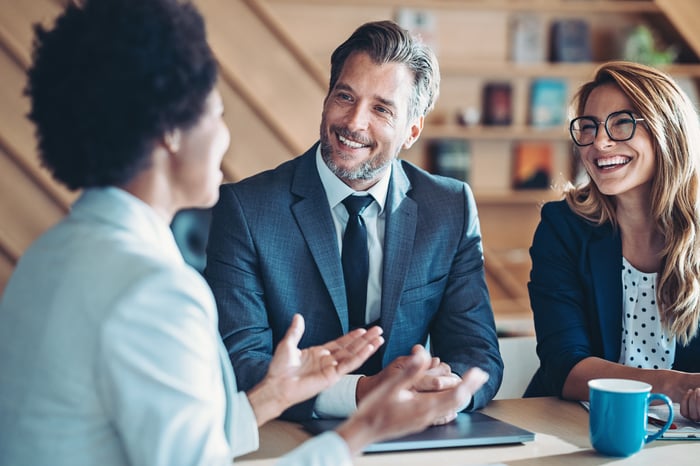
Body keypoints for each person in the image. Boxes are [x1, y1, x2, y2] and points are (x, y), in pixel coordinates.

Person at [0, 1, 490, 465]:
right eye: (216, 113)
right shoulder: (154, 292)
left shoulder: (47, 256)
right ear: (171, 131)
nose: (224, 135)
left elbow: (176, 436)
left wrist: (272, 396)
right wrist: (364, 428)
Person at [205, 20, 503, 422]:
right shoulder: (246, 209)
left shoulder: (449, 207)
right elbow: (240, 362)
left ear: (411, 131)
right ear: (326, 98)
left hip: (414, 436)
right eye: (345, 96)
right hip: (287, 436)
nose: (354, 122)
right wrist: (362, 393)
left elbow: (477, 351)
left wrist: (444, 392)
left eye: (381, 108)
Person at [525, 60, 700, 421]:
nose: (599, 142)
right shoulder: (563, 227)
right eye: (588, 127)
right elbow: (564, 365)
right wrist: (676, 386)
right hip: (575, 427)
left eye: (621, 123)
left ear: (668, 130)